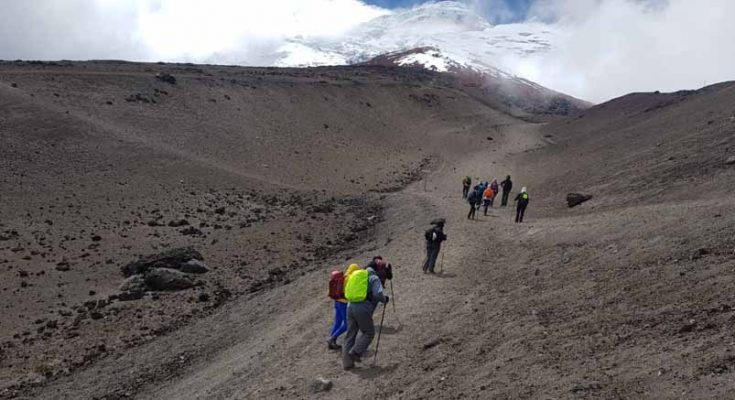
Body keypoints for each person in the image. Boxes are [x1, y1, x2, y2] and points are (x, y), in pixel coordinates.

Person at [342, 265, 389, 370]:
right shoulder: (374, 277)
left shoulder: (358, 275)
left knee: (350, 334)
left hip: (350, 305)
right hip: (361, 306)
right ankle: (355, 352)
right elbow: (378, 294)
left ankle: (347, 363)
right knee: (368, 332)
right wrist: (384, 299)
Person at [327, 264, 360, 350]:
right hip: (344, 304)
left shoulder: (342, 277)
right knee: (346, 325)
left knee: (337, 322)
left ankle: (332, 341)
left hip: (337, 301)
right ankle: (332, 339)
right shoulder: (351, 278)